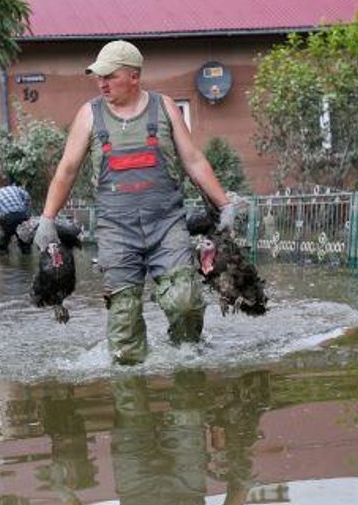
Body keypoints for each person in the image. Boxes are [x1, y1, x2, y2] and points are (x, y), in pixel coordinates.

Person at [34, 40, 236, 365]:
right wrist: (47, 218)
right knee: (124, 330)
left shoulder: (165, 107)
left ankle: (187, 362)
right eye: (98, 77)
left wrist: (224, 204)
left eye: (109, 76)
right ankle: (131, 398)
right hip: (116, 230)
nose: (101, 83)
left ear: (133, 76)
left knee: (184, 300)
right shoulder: (89, 114)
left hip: (167, 225)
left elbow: (194, 160)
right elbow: (67, 169)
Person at [0, 181, 32, 254]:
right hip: (21, 214)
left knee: (5, 235)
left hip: (7, 217)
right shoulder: (15, 188)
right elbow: (27, 196)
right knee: (24, 238)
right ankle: (25, 250)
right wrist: (25, 211)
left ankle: (3, 249)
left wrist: (3, 227)